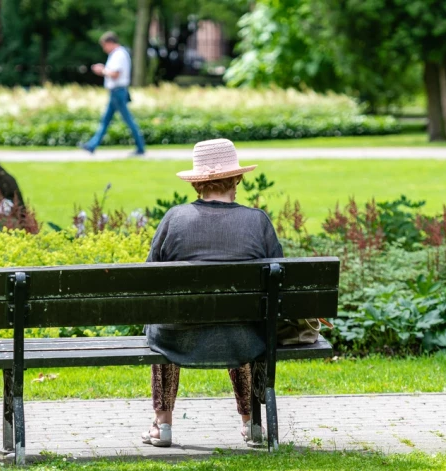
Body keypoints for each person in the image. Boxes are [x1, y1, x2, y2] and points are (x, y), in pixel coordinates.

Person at [142, 138, 284, 447]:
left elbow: (149, 279)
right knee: (243, 321)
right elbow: (281, 280)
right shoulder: (257, 221)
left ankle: (162, 424)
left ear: (197, 183)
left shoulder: (174, 219)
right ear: (236, 178)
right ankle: (251, 423)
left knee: (162, 324)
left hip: (178, 338)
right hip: (242, 338)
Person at [81, 32, 145, 156]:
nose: (104, 49)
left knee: (128, 120)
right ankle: (92, 145)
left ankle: (140, 147)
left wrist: (102, 70)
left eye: (105, 46)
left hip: (118, 92)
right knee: (105, 120)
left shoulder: (119, 54)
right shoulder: (117, 54)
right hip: (116, 92)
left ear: (110, 43)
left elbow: (115, 74)